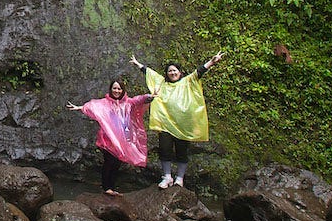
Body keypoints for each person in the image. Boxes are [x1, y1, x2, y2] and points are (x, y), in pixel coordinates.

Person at [130, 50, 225, 189]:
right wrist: (138, 64)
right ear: (166, 73)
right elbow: (149, 73)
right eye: (170, 71)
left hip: (183, 124)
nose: (172, 73)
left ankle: (180, 178)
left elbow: (199, 72)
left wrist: (212, 62)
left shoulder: (187, 82)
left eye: (175, 71)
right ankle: (167, 177)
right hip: (165, 124)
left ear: (180, 72)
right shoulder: (162, 83)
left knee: (182, 151)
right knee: (164, 149)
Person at [67, 79, 157, 195]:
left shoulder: (128, 103)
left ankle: (111, 188)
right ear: (110, 89)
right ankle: (106, 187)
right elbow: (93, 106)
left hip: (121, 140)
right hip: (107, 139)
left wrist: (148, 97)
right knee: (109, 162)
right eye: (114, 88)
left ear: (122, 90)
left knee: (116, 164)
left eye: (119, 88)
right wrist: (80, 107)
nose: (117, 91)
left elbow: (139, 100)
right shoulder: (105, 103)